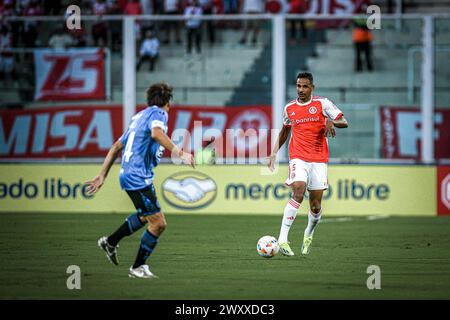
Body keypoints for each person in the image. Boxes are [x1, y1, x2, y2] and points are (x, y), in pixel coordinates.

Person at [86, 83, 195, 279]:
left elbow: (116, 146)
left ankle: (110, 242)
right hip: (137, 176)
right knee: (158, 223)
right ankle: (138, 267)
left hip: (130, 174)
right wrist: (180, 152)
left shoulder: (138, 117)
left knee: (147, 215)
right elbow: (156, 133)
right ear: (168, 102)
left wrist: (102, 174)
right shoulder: (159, 114)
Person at [268, 72, 348, 256]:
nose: (301, 90)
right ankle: (282, 239)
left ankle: (308, 233)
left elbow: (345, 122)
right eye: (298, 86)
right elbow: (284, 131)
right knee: (298, 189)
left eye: (305, 86)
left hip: (319, 159)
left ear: (312, 87)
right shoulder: (289, 108)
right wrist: (273, 153)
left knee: (315, 206)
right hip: (298, 156)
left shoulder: (322, 104)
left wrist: (331, 121)